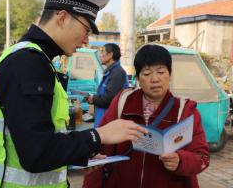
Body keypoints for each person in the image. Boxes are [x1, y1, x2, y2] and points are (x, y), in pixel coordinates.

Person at [0, 0, 147, 188]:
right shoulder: (27, 63)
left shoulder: (38, 59)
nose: (86, 40)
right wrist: (99, 135)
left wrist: (75, 159)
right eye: (86, 29)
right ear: (62, 17)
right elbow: (36, 153)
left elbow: (39, 140)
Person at [84, 44, 210, 188]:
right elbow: (101, 146)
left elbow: (202, 158)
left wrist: (181, 161)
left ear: (170, 74)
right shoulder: (122, 103)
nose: (155, 79)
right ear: (137, 77)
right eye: (147, 73)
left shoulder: (186, 111)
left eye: (161, 72)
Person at [85, 43, 129, 127]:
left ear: (110, 55)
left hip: (109, 124)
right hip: (103, 121)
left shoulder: (117, 73)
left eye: (102, 52)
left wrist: (93, 99)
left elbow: (109, 99)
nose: (100, 55)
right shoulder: (111, 72)